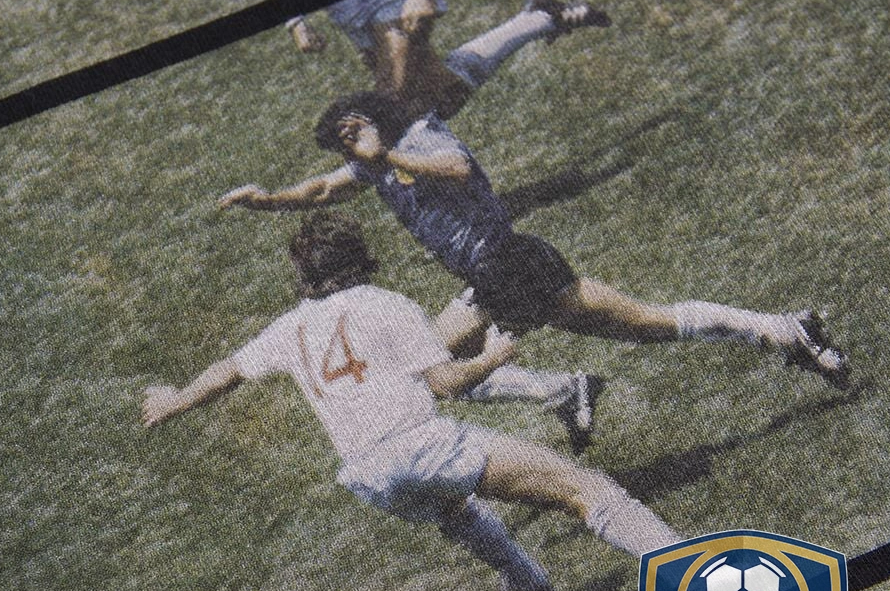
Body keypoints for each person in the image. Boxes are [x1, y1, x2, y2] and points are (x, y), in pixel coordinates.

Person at [142, 211, 681, 591]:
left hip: (366, 475)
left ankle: (530, 587)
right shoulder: (384, 303)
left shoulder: (289, 327)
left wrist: (175, 401)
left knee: (456, 511)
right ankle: (693, 572)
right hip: (420, 444)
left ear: (303, 275)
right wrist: (494, 356)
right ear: (361, 259)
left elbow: (229, 370)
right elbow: (445, 383)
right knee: (583, 489)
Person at [219, 91, 851, 388]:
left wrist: (387, 155)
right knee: (645, 325)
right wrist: (266, 200)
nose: (348, 150)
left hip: (505, 263)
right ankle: (783, 329)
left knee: (422, 369)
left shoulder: (416, 139)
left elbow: (458, 169)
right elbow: (322, 191)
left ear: (372, 120)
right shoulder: (373, 166)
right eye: (342, 144)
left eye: (349, 135)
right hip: (507, 267)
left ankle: (560, 394)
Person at [285, 0, 610, 120]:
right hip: (347, 13)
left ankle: (454, 211)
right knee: (442, 95)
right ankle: (540, 17)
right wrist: (295, 21)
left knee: (395, 105)